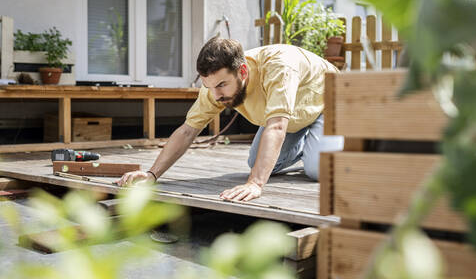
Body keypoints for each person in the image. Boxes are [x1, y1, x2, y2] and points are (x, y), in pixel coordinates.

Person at [116, 37, 341, 201]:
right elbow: (187, 130)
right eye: (209, 87)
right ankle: (312, 145)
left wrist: (255, 183)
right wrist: (152, 174)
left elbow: (277, 126)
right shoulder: (215, 87)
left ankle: (320, 147)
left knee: (316, 170)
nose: (216, 95)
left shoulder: (278, 68)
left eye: (222, 85)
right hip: (290, 115)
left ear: (242, 71)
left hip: (327, 101)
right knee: (256, 164)